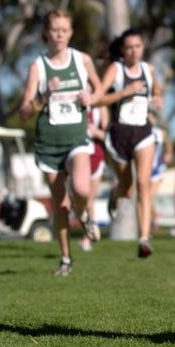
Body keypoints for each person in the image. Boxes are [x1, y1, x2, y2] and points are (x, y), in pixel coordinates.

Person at [19, 9, 102, 275]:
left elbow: (99, 89)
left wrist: (91, 98)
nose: (59, 35)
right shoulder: (38, 67)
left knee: (82, 188)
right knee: (61, 206)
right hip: (48, 145)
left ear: (71, 32)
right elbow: (24, 112)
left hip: (76, 138)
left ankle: (86, 215)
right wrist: (43, 96)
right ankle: (66, 258)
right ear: (46, 33)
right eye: (55, 30)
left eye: (64, 30)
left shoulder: (82, 60)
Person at [98, 28, 162, 257]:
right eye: (129, 47)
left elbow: (158, 92)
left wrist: (157, 99)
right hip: (119, 133)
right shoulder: (115, 70)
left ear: (142, 48)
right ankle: (115, 195)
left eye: (138, 46)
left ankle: (144, 238)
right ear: (122, 50)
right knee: (127, 189)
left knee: (144, 183)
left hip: (143, 132)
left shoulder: (149, 69)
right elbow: (98, 98)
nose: (134, 51)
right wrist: (124, 92)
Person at [80, 104, 108, 252]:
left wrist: (95, 131)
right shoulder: (74, 102)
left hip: (95, 156)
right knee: (77, 197)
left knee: (90, 200)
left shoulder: (101, 109)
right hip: (77, 154)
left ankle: (87, 237)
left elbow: (108, 135)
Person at [149, 109, 173, 232]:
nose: (150, 118)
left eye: (152, 116)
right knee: (145, 199)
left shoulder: (160, 133)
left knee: (148, 198)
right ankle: (153, 217)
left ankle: (151, 222)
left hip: (156, 170)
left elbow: (169, 147)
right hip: (144, 170)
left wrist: (168, 154)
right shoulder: (141, 131)